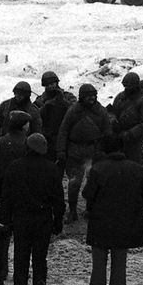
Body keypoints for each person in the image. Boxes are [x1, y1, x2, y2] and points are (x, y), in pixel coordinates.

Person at [83, 134, 143, 285]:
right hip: (126, 222)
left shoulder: (98, 169)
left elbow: (87, 194)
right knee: (120, 264)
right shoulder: (136, 169)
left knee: (99, 265)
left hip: (101, 221)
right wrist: (140, 203)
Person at [0, 133, 65, 285]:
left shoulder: (15, 167)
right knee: (39, 261)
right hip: (43, 219)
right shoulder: (51, 169)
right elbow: (59, 199)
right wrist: (58, 221)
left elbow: (7, 197)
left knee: (20, 260)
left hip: (21, 219)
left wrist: (7, 219)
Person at [56, 83, 111, 223]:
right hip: (75, 151)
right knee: (74, 183)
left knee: (93, 183)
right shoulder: (73, 111)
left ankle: (90, 209)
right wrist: (61, 151)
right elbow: (63, 131)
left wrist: (106, 151)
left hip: (94, 151)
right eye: (88, 96)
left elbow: (107, 132)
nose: (91, 99)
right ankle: (72, 210)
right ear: (81, 97)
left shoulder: (101, 112)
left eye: (93, 96)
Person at [109, 71, 143, 165]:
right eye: (125, 86)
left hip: (134, 142)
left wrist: (130, 134)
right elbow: (112, 112)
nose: (126, 88)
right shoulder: (120, 97)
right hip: (118, 138)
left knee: (135, 166)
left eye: (129, 86)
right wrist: (113, 120)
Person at [33, 71, 74, 161]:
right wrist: (46, 106)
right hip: (47, 138)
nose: (50, 87)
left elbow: (75, 110)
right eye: (47, 85)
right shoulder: (41, 99)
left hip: (63, 138)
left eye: (52, 84)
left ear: (57, 83)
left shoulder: (67, 96)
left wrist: (62, 101)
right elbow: (34, 115)